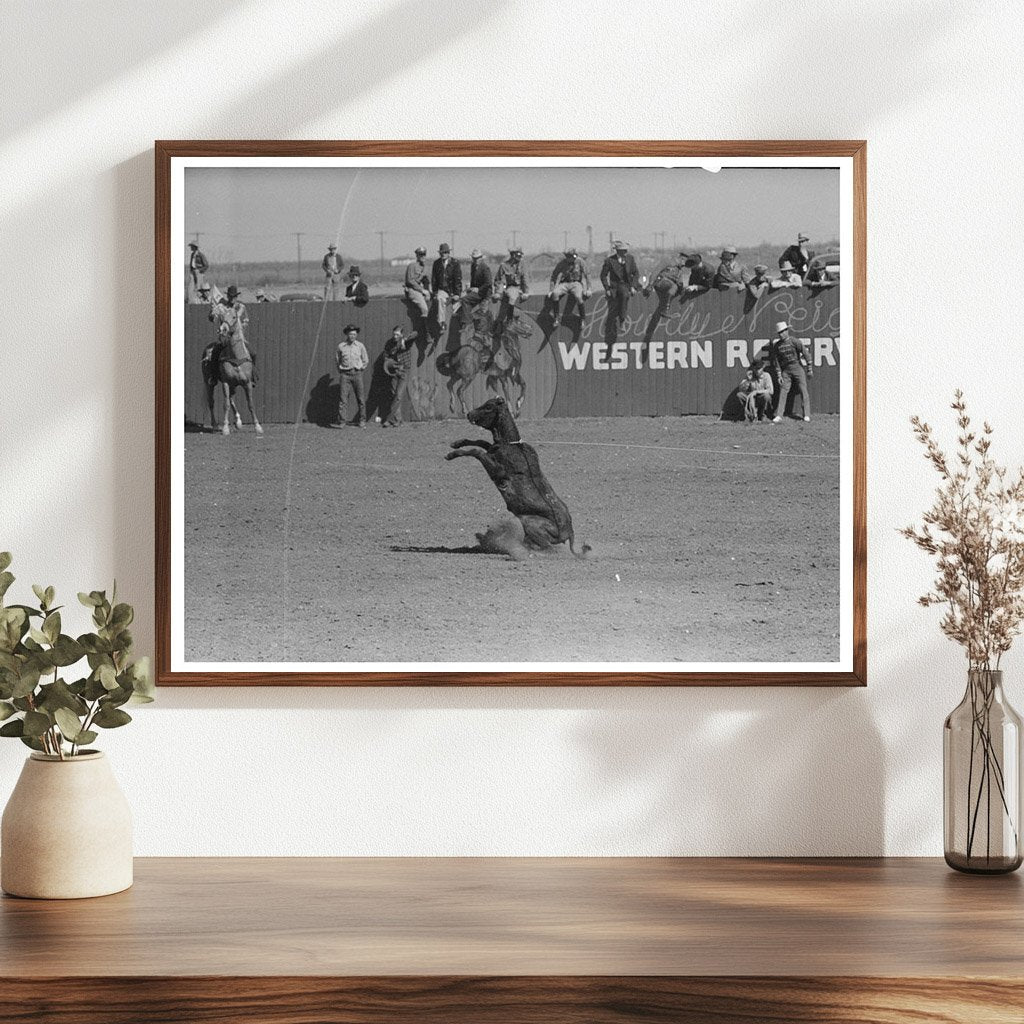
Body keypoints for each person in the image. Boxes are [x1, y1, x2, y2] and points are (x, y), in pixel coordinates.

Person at [767, 321, 812, 422]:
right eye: (779, 332)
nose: (781, 334)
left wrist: (809, 369)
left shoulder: (795, 341)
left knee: (803, 390)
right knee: (783, 391)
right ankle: (779, 415)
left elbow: (806, 354)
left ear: (787, 331)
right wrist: (779, 375)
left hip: (797, 367)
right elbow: (776, 361)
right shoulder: (777, 346)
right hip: (786, 370)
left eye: (783, 331)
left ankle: (806, 414)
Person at [600, 240, 640, 334]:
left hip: (629, 284)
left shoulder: (630, 259)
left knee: (643, 290)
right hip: (616, 286)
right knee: (624, 294)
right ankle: (622, 320)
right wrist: (607, 288)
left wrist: (633, 286)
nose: (626, 252)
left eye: (626, 250)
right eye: (623, 251)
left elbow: (636, 273)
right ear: (618, 251)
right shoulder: (610, 261)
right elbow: (603, 276)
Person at [334, 324, 369, 428]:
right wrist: (340, 370)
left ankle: (362, 421)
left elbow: (365, 359)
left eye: (354, 334)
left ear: (356, 335)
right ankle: (342, 422)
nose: (352, 336)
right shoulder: (341, 346)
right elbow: (337, 360)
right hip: (345, 374)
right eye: (350, 334)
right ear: (347, 334)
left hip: (357, 374)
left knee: (361, 399)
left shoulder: (360, 346)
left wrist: (360, 368)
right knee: (343, 399)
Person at [546, 247, 591, 326]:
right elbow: (554, 275)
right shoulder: (562, 263)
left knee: (578, 296)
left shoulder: (580, 261)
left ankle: (582, 318)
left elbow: (587, 274)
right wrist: (551, 290)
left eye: (572, 256)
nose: (571, 259)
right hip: (565, 283)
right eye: (569, 257)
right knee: (555, 293)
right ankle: (556, 318)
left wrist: (589, 289)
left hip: (576, 283)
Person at [382, 326, 416, 427]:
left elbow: (415, 333)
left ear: (401, 334)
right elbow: (385, 355)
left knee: (398, 395)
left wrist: (404, 339)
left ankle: (389, 419)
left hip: (404, 371)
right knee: (394, 395)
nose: (395, 336)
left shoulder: (407, 341)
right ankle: (398, 420)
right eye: (394, 334)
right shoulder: (390, 343)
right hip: (394, 371)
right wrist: (388, 361)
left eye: (397, 334)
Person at [493, 246, 530, 327]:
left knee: (512, 296)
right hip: (506, 286)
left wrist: (526, 292)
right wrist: (498, 291)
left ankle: (510, 320)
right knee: (502, 291)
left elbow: (525, 279)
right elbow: (498, 280)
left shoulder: (522, 264)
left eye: (521, 255)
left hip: (517, 287)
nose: (520, 257)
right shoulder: (504, 265)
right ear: (513, 255)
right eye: (518, 255)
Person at [431, 242, 463, 329]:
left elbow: (458, 279)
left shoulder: (455, 263)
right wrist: (434, 292)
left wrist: (457, 294)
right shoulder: (436, 263)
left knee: (459, 305)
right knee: (440, 299)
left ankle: (462, 324)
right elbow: (434, 279)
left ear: (448, 253)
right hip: (442, 289)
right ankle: (442, 322)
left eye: (445, 252)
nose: (443, 254)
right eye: (442, 252)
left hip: (453, 289)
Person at [461, 248, 492, 323]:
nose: (476, 260)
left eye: (477, 258)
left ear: (481, 258)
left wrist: (478, 289)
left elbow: (488, 283)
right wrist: (471, 289)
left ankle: (467, 321)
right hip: (476, 291)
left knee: (465, 300)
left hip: (484, 293)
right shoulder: (473, 266)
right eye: (474, 258)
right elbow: (473, 279)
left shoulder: (485, 268)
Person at [404, 246, 431, 318]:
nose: (423, 256)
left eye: (424, 254)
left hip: (421, 290)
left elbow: (426, 281)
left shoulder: (424, 267)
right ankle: (423, 328)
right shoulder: (412, 266)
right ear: (417, 256)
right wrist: (422, 290)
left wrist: (427, 291)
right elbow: (410, 281)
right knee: (425, 310)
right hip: (413, 290)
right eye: (421, 255)